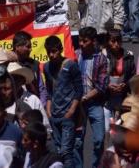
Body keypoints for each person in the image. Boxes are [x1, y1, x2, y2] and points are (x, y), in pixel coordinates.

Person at [43, 35, 83, 168]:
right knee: (58, 150)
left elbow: (79, 91)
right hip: (54, 115)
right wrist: (48, 112)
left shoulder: (71, 65)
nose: (52, 55)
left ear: (60, 49)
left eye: (54, 51)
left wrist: (71, 111)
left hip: (67, 115)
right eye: (49, 52)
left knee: (66, 151)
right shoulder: (47, 68)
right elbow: (49, 91)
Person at [75, 26, 109, 168]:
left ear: (93, 41)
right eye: (80, 41)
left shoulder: (101, 59)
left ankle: (96, 165)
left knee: (99, 140)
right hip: (79, 105)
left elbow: (101, 86)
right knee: (78, 142)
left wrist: (85, 97)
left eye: (85, 41)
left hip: (94, 104)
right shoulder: (76, 55)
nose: (81, 44)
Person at [104, 30, 136, 126]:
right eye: (113, 41)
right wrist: (108, 85)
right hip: (107, 97)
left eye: (119, 41)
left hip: (123, 97)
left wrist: (125, 84)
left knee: (119, 130)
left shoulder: (129, 55)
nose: (116, 44)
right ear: (107, 42)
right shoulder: (103, 56)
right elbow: (98, 76)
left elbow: (133, 75)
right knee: (107, 130)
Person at [12, 31, 47, 105]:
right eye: (28, 46)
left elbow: (41, 88)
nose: (30, 49)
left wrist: (42, 105)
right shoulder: (7, 65)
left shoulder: (33, 64)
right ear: (17, 47)